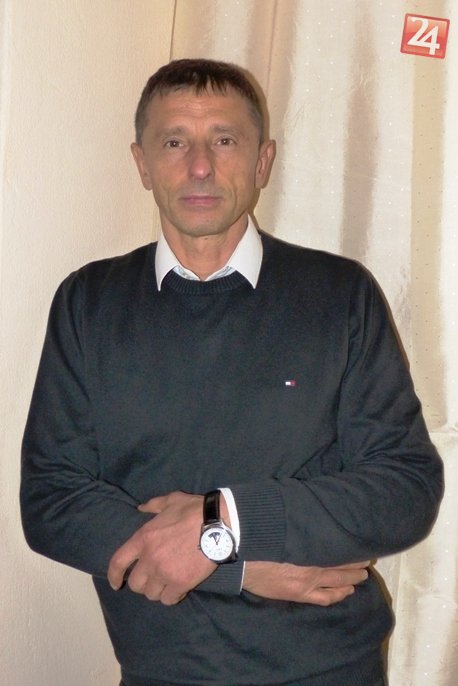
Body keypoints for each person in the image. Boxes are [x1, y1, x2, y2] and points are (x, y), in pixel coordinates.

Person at [21, 58, 443, 686]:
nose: (200, 166)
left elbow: (404, 490)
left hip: (330, 669)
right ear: (141, 164)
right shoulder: (88, 301)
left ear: (262, 161)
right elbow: (52, 499)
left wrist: (229, 519)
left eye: (224, 140)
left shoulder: (340, 294)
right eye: (174, 142)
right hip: (162, 672)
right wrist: (231, 564)